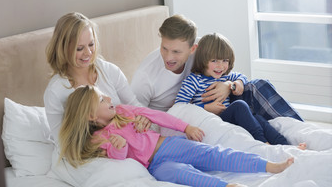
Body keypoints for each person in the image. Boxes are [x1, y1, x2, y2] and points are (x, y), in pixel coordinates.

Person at [59, 85, 295, 187]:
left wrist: (185, 128)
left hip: (169, 146)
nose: (109, 99)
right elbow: (118, 158)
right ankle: (226, 185)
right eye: (102, 100)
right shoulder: (96, 139)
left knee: (214, 156)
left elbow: (156, 116)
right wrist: (119, 146)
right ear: (90, 116)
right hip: (153, 165)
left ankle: (269, 166)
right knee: (179, 175)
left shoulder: (123, 111)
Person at [131, 14, 303, 121]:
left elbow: (229, 73)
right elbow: (134, 116)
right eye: (164, 48)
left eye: (176, 51)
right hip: (183, 115)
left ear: (193, 49)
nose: (168, 57)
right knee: (244, 111)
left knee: (258, 85)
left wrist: (229, 86)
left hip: (221, 103)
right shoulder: (145, 76)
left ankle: (297, 128)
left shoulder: (201, 50)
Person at [175, 33, 306, 148]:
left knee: (259, 119)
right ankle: (263, 144)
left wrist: (234, 84)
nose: (220, 66)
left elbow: (242, 77)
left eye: (225, 60)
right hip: (212, 121)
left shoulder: (225, 76)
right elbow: (180, 107)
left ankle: (287, 146)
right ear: (202, 59)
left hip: (228, 118)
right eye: (214, 61)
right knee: (240, 106)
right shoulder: (193, 81)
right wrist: (205, 108)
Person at [44, 12, 150, 150]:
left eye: (91, 44)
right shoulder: (56, 91)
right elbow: (63, 143)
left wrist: (143, 118)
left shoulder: (110, 71)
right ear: (64, 49)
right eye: (79, 48)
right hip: (91, 153)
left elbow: (135, 106)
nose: (88, 53)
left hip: (129, 146)